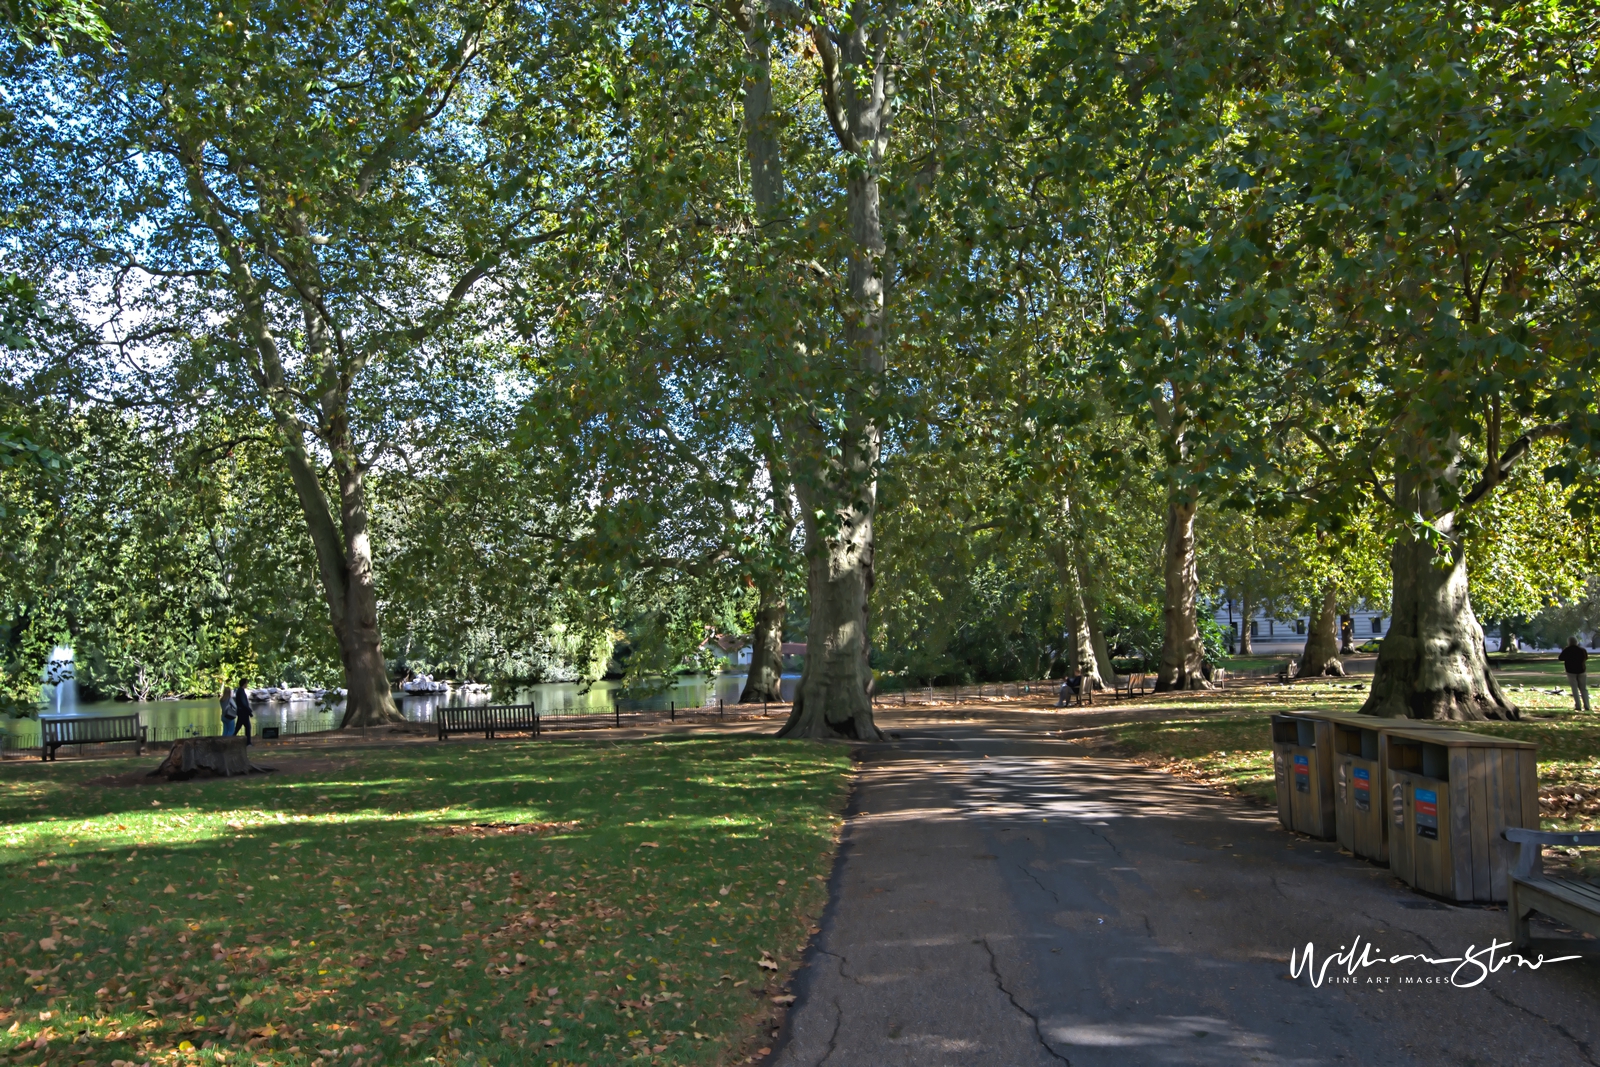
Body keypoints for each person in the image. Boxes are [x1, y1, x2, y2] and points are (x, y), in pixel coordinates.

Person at [1559, 638, 1590, 712]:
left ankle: (1578, 706)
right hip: (1581, 670)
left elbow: (1560, 658)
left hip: (1571, 671)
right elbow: (1586, 658)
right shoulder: (1582, 650)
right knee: (1583, 688)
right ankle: (1587, 706)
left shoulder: (1567, 650)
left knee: (1574, 688)